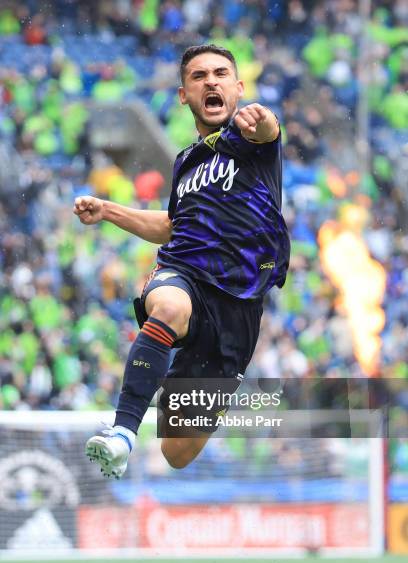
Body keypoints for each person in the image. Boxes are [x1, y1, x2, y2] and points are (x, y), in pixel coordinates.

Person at [73, 44, 290, 478]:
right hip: (184, 274)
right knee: (168, 305)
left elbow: (267, 128)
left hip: (239, 307)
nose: (211, 81)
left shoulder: (253, 144)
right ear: (183, 95)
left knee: (177, 451)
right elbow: (174, 226)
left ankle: (166, 376)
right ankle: (122, 433)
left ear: (238, 87)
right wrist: (110, 211)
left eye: (221, 73)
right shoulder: (186, 163)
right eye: (199, 76)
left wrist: (262, 119)